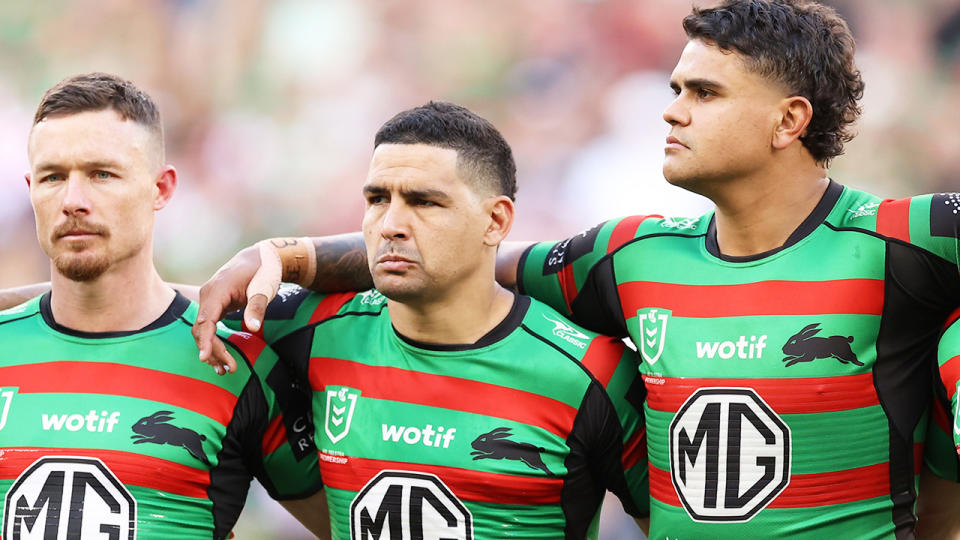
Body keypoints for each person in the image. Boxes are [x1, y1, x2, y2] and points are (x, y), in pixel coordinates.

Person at [191, 1, 960, 538]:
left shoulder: (907, 240)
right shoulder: (630, 257)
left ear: (789, 120)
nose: (672, 110)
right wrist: (284, 256)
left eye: (704, 92)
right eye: (674, 89)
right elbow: (458, 251)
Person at [202, 101, 649, 538]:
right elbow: (167, 314)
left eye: (424, 202)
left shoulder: (592, 373)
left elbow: (674, 527)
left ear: (495, 221)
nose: (390, 223)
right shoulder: (308, 329)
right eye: (377, 198)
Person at [0, 73, 326, 539]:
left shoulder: (233, 359)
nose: (73, 200)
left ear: (162, 189)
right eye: (53, 177)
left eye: (101, 174)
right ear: (31, 189)